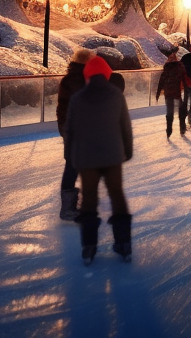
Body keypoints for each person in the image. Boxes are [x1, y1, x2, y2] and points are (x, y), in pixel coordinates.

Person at [65, 55, 133, 264]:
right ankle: (123, 243)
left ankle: (89, 246)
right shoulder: (116, 95)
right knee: (117, 197)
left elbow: (70, 131)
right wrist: (127, 152)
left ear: (87, 75)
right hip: (112, 156)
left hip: (87, 158)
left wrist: (70, 155)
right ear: (106, 73)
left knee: (89, 201)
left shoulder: (77, 98)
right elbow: (125, 127)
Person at [56, 48, 92, 221]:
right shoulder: (79, 80)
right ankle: (68, 209)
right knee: (72, 165)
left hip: (71, 127)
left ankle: (78, 202)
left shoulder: (74, 78)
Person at [155, 49, 189, 139]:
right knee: (181, 110)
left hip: (168, 93)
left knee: (170, 112)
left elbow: (161, 81)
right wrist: (186, 89)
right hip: (177, 92)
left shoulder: (166, 67)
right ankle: (182, 127)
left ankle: (169, 130)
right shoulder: (179, 66)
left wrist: (158, 93)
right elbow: (184, 78)